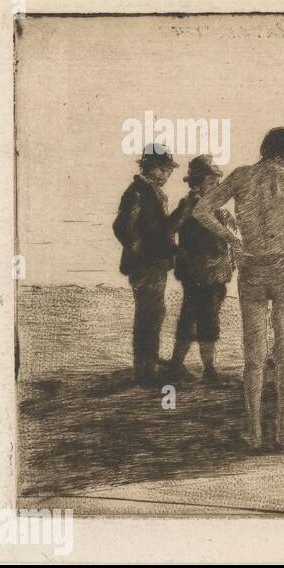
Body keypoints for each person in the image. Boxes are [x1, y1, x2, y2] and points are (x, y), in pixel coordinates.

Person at [193, 127, 284, 449]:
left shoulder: (241, 175)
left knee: (253, 356)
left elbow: (202, 210)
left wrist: (233, 239)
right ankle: (283, 429)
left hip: (252, 267)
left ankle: (254, 433)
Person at [112, 143, 190, 386]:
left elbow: (160, 230)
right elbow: (122, 227)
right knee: (149, 315)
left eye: (169, 170)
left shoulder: (151, 191)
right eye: (165, 169)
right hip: (145, 265)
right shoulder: (137, 192)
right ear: (151, 167)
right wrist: (141, 250)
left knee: (154, 313)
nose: (168, 174)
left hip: (154, 264)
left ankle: (149, 362)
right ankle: (145, 371)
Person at [164, 155, 236, 383]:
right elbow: (170, 228)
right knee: (200, 321)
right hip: (200, 273)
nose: (216, 184)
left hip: (211, 273)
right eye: (211, 180)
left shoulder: (213, 207)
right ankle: (202, 369)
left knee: (200, 320)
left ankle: (190, 367)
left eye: (216, 180)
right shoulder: (192, 204)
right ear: (197, 182)